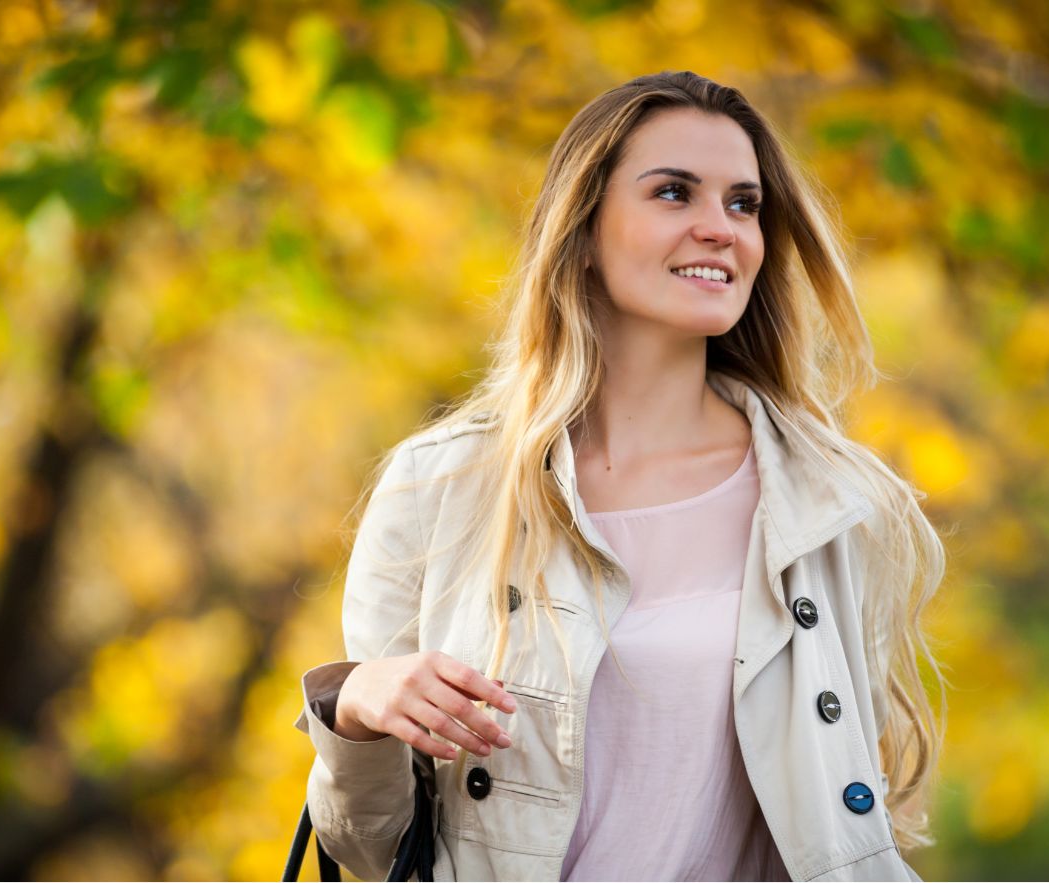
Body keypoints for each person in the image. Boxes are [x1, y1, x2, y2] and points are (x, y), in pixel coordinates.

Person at [292, 70, 947, 882]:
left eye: (744, 204)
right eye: (675, 193)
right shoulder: (443, 489)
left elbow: (848, 812)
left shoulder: (831, 501)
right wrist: (356, 707)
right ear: (583, 227)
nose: (721, 228)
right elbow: (371, 847)